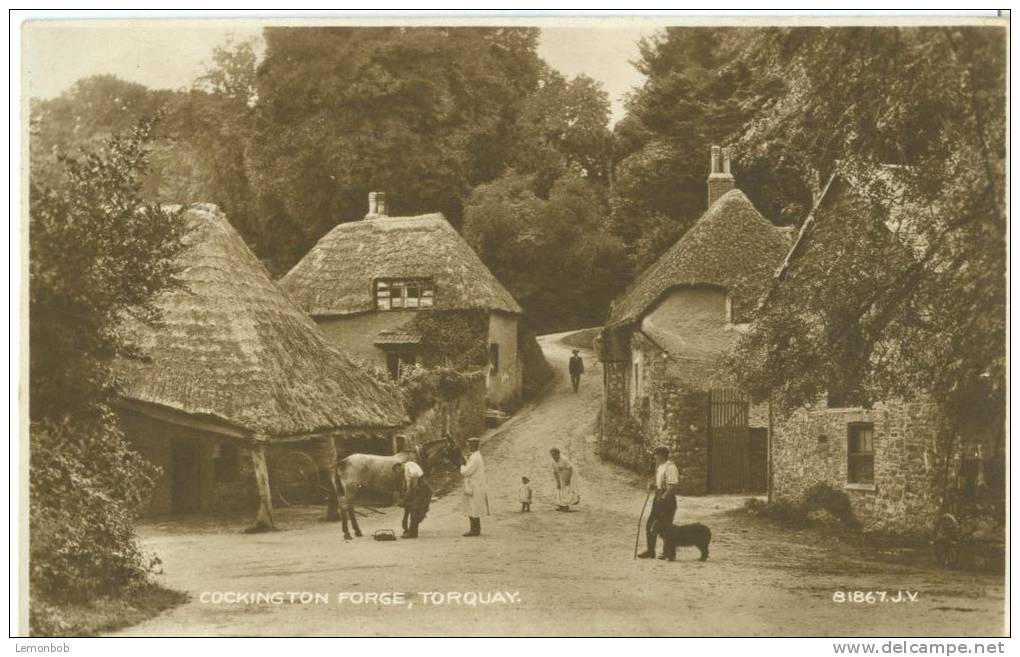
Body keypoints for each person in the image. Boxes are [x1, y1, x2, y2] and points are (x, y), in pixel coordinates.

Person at [637, 446, 679, 560]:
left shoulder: (671, 467)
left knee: (666, 526)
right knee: (650, 524)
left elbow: (673, 486)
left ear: (662, 455)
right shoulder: (661, 467)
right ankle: (651, 551)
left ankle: (669, 553)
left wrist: (664, 497)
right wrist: (654, 486)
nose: (654, 457)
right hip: (659, 497)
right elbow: (661, 484)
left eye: (656, 455)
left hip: (667, 499)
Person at [394, 458, 431, 539]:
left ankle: (412, 533)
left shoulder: (408, 464)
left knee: (415, 509)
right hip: (418, 488)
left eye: (398, 470)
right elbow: (409, 486)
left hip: (421, 487)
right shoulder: (405, 472)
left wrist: (414, 488)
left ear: (399, 466)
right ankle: (412, 532)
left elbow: (415, 476)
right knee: (414, 510)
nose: (399, 472)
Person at [460, 437, 488, 536]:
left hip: (475, 485)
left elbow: (465, 472)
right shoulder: (474, 456)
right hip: (474, 485)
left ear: (475, 445)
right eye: (469, 445)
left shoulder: (475, 458)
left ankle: (474, 530)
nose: (469, 447)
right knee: (473, 506)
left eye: (471, 445)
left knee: (473, 507)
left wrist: (462, 465)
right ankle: (476, 528)